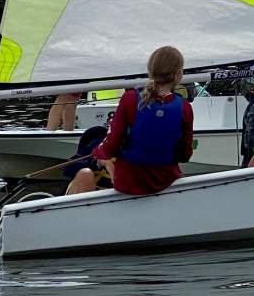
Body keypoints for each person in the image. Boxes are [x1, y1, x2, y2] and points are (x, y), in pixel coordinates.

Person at [67, 46, 194, 196]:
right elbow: (185, 155)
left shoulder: (130, 99)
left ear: (150, 71)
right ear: (179, 74)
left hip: (129, 183)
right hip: (166, 180)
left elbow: (112, 144)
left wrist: (98, 152)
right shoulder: (185, 107)